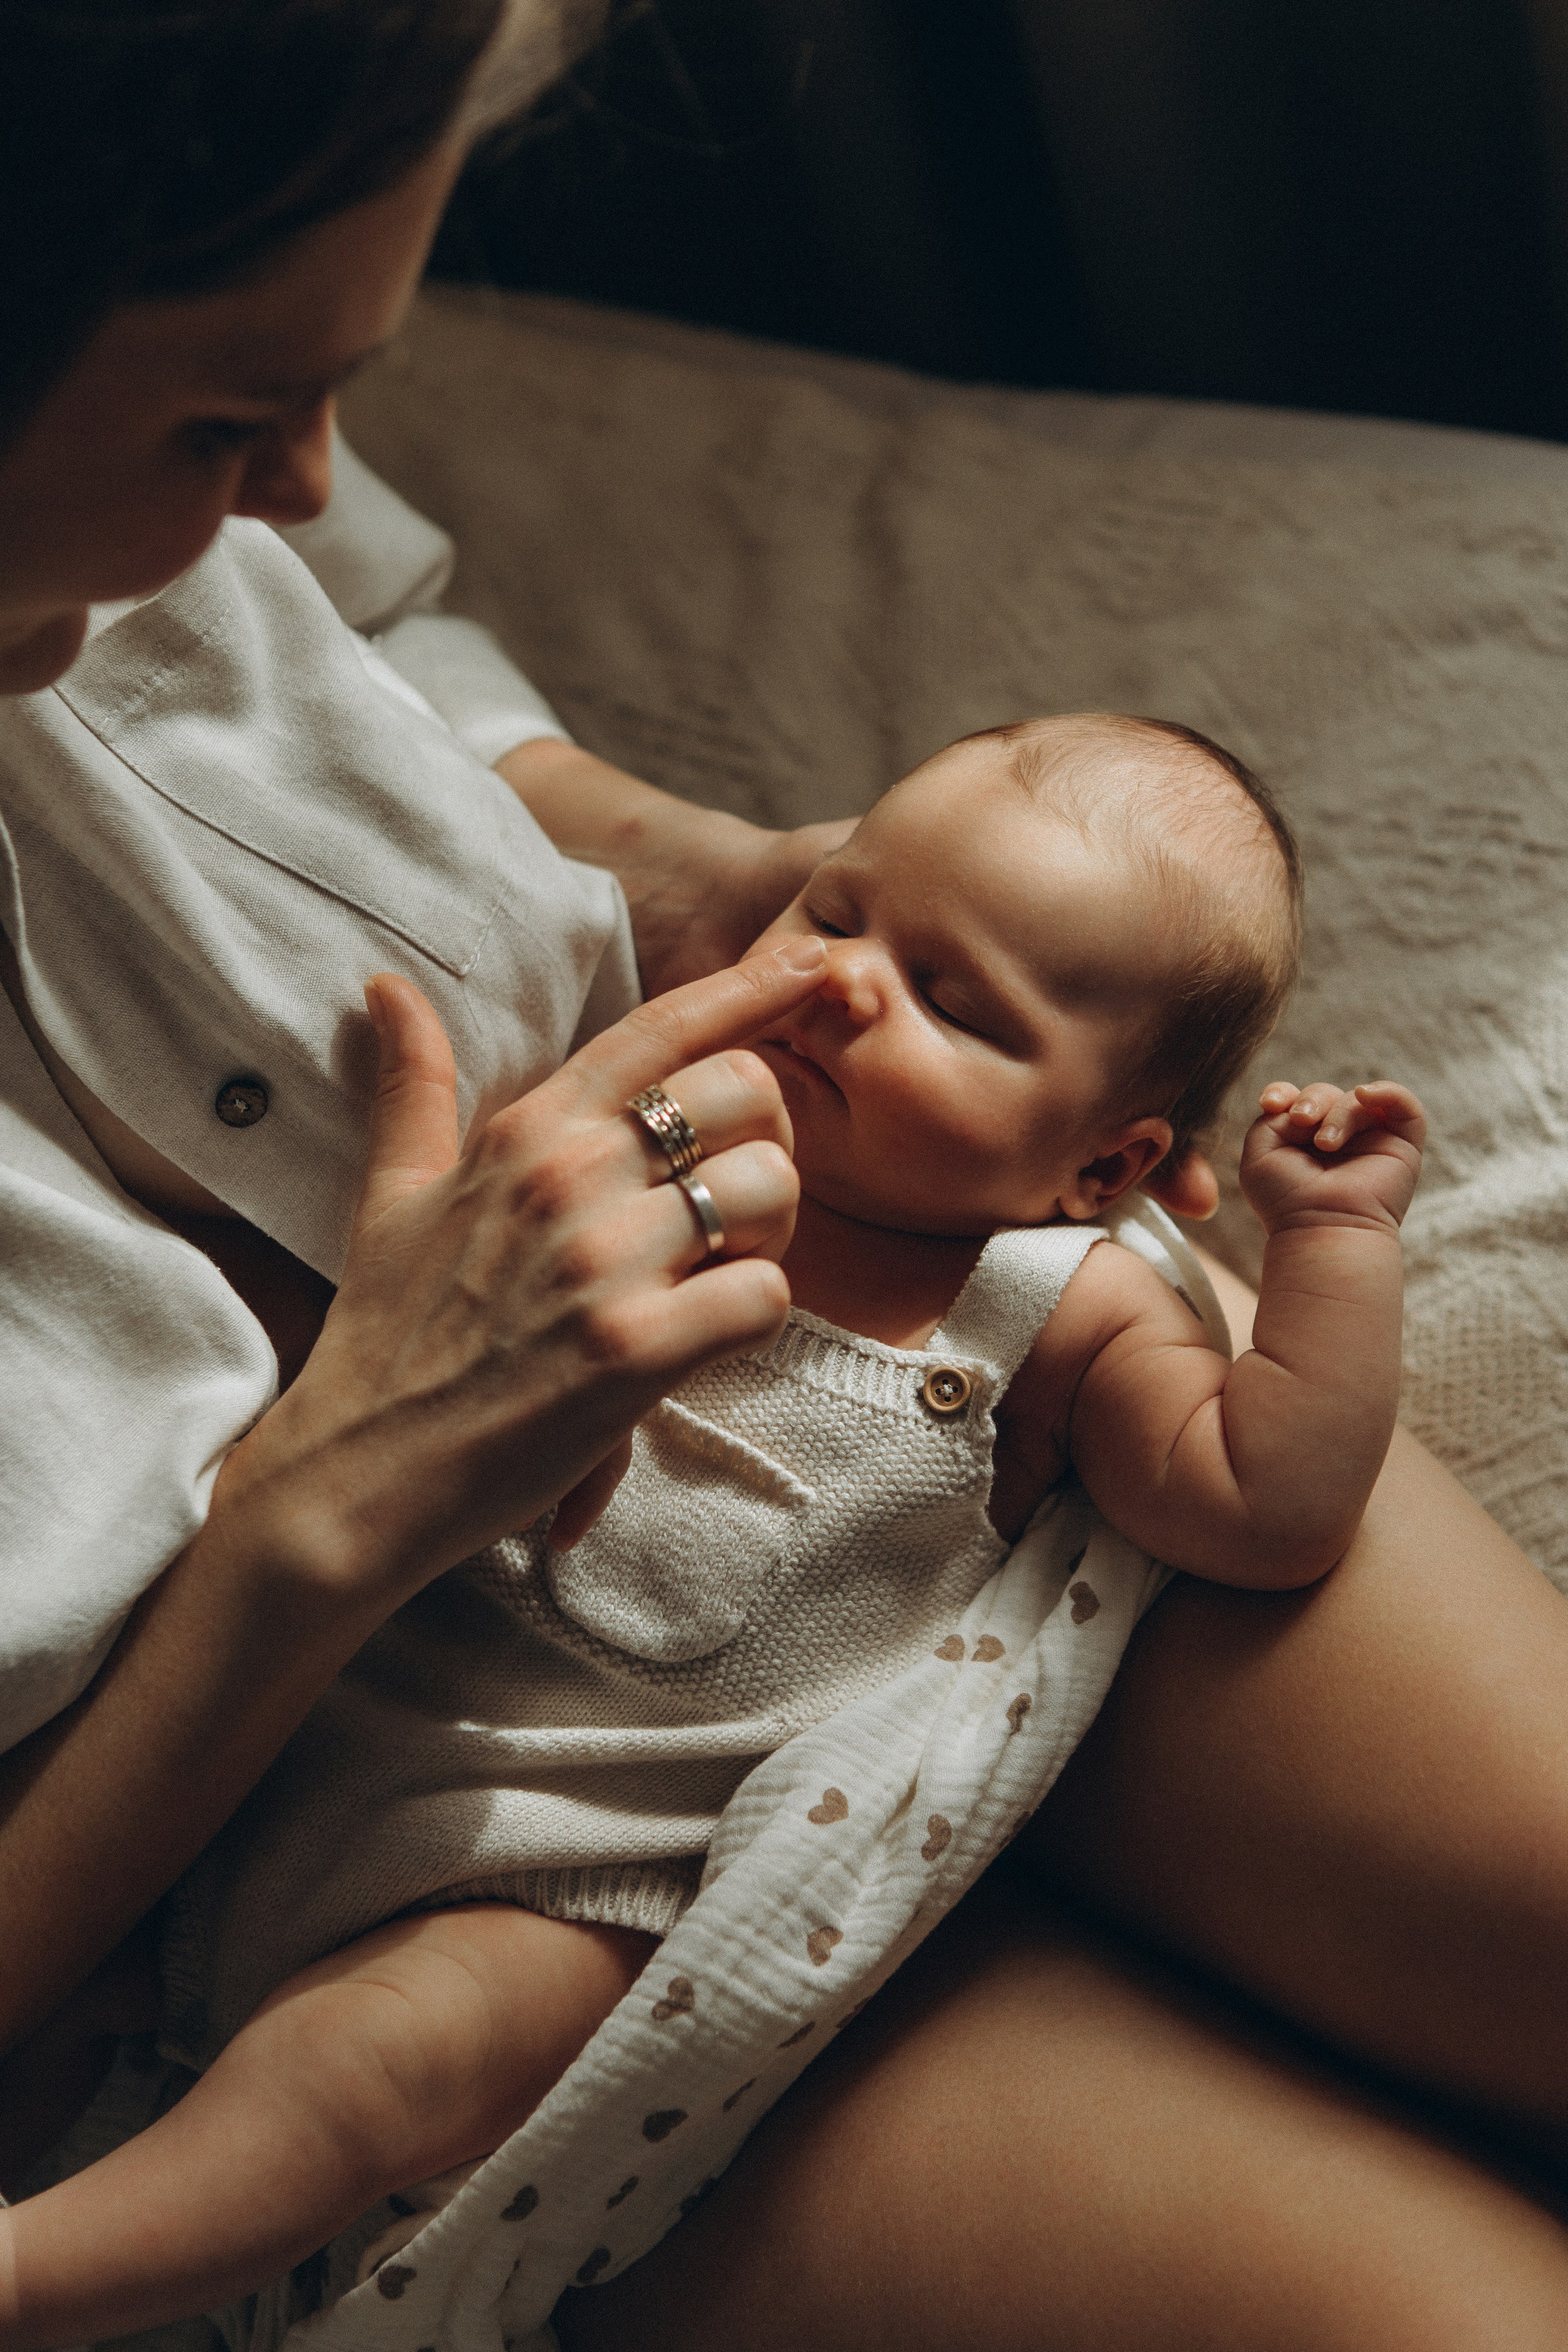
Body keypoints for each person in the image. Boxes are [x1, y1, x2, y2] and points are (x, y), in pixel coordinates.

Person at [4, 4, 1568, 2348]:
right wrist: (323, 1515)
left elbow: (385, 624)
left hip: (974, 1575)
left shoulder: (1042, 1284)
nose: (308, 496)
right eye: (225, 428)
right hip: (383, 1863)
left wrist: (714, 873)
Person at [0, 712, 1432, 2346]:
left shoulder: (1055, 1311)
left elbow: (1266, 1501)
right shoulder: (631, 1139)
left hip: (564, 1894)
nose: (841, 985)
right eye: (835, 912)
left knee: (364, 2076)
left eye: (958, 1004)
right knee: (82, 2057)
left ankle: (38, 2278)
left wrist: (1330, 1239)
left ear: (1097, 1168)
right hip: (266, 1778)